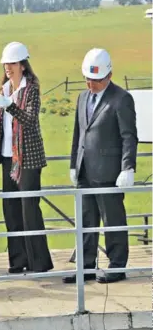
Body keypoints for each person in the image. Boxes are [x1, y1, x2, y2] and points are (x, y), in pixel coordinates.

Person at [0, 42, 54, 274]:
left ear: (22, 64)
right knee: (10, 209)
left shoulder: (30, 89)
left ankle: (38, 262)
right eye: (5, 64)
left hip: (28, 159)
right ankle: (18, 260)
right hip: (9, 158)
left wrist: (10, 106)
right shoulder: (5, 89)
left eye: (11, 63)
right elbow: (6, 127)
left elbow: (29, 120)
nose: (7, 68)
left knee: (28, 209)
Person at [63, 48, 138, 284]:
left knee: (113, 219)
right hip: (85, 169)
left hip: (109, 172)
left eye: (96, 80)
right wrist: (74, 164)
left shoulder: (121, 98)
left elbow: (128, 136)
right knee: (86, 220)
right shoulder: (82, 98)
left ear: (109, 75)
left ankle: (117, 266)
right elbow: (79, 133)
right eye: (88, 79)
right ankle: (85, 267)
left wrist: (128, 168)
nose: (91, 84)